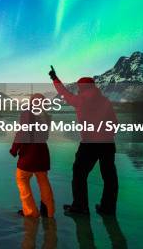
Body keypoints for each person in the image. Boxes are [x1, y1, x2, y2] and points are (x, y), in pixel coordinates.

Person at [48, 67, 118, 216]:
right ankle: (108, 208)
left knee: (79, 173)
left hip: (89, 143)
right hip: (107, 143)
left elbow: (64, 93)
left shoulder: (80, 99)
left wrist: (54, 78)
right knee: (109, 177)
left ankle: (80, 207)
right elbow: (114, 122)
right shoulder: (105, 101)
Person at [10, 93, 55, 218]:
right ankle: (49, 212)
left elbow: (22, 132)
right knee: (43, 181)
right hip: (42, 154)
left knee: (22, 179)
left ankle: (30, 212)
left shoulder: (27, 112)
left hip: (29, 155)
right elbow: (45, 136)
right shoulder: (46, 116)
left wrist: (14, 149)